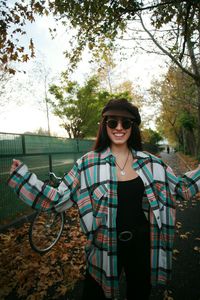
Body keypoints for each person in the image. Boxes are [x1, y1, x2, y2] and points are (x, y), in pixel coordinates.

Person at [8, 98, 200, 300]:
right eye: (112, 122)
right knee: (95, 294)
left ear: (132, 127)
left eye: (126, 123)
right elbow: (58, 199)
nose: (119, 128)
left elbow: (182, 189)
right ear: (104, 125)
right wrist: (23, 179)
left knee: (140, 293)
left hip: (142, 246)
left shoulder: (152, 163)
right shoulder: (87, 164)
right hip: (103, 247)